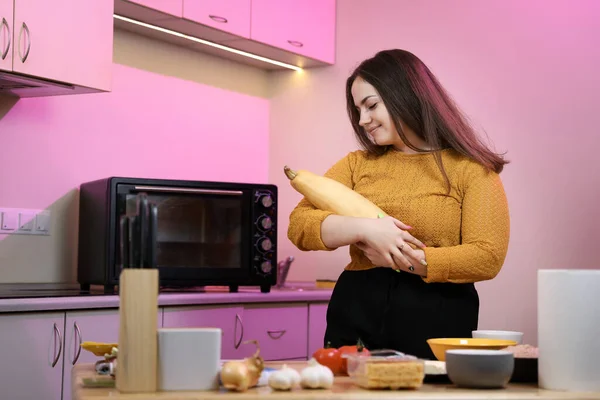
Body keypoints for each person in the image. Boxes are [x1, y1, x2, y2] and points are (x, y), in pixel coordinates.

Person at [287, 49, 510, 360]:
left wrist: (400, 259)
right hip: (355, 308)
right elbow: (299, 225)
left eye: (371, 105)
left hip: (438, 316)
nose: (363, 120)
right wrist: (365, 229)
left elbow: (487, 256)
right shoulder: (356, 165)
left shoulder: (470, 169)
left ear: (405, 95)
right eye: (358, 110)